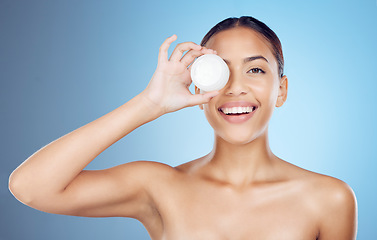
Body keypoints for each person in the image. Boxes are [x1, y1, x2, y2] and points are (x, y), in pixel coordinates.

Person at [9, 16, 357, 240]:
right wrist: (149, 104)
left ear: (280, 89)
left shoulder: (329, 198)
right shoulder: (159, 187)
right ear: (200, 85)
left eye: (255, 70)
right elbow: (30, 187)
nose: (236, 87)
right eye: (220, 70)